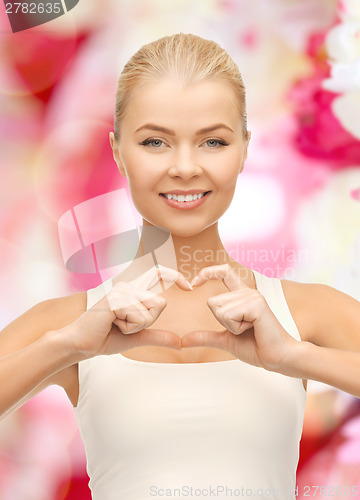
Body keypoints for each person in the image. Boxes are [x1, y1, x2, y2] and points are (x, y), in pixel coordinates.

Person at [1, 32, 360, 500]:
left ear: (245, 149)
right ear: (117, 152)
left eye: (213, 141)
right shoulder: (69, 323)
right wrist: (65, 346)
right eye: (155, 142)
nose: (185, 167)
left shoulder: (307, 313)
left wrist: (293, 358)